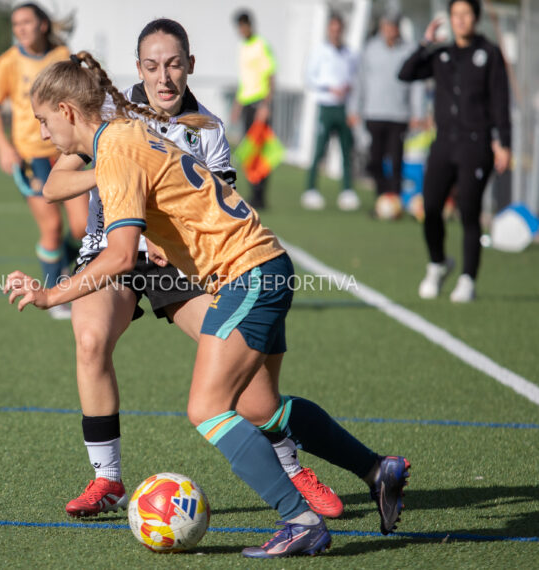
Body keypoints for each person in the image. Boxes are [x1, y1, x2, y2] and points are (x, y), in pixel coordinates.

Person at [5, 51, 411, 558]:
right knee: (260, 406)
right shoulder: (125, 136)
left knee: (207, 409)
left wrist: (51, 294)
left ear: (67, 111)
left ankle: (299, 520)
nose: (43, 133)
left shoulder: (117, 149)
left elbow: (119, 256)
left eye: (44, 121)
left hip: (248, 275)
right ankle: (377, 470)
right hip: (262, 266)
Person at [42, 19, 342, 521]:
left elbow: (217, 206)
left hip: (178, 262)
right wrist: (118, 173)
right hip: (112, 251)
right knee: (90, 340)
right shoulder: (109, 114)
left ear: (190, 66)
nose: (163, 77)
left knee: (245, 378)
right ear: (138, 68)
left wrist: (159, 219)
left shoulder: (208, 127)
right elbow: (54, 186)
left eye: (174, 65)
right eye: (152, 66)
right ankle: (107, 478)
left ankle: (291, 467)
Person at [399, 0, 511, 303]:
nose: (460, 20)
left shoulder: (489, 53)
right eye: (455, 14)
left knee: (469, 211)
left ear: (476, 17)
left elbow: (500, 101)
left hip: (476, 143)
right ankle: (438, 263)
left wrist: (504, 143)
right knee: (431, 207)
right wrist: (425, 43)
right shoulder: (442, 54)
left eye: (466, 14)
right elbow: (406, 73)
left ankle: (468, 279)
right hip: (444, 142)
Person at [0, 2, 88, 320]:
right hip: (31, 156)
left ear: (42, 25)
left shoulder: (62, 56)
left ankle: (60, 265)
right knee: (52, 226)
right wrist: (4, 147)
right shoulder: (8, 62)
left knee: (83, 226)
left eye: (26, 22)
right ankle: (56, 296)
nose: (20, 29)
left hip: (66, 151)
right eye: (16, 24)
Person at [348, 11, 426, 204]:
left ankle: (395, 199)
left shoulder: (409, 49)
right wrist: (353, 108)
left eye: (393, 26)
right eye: (387, 26)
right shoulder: (370, 49)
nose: (390, 30)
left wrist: (418, 112)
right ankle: (382, 197)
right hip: (374, 112)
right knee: (375, 160)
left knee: (396, 160)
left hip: (399, 114)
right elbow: (360, 81)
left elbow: (417, 84)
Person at [302, 13, 359, 211]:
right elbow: (309, 78)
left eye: (339, 30)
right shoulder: (319, 51)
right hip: (326, 106)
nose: (336, 33)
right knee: (320, 150)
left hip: (344, 108)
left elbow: (355, 78)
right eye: (333, 29)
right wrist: (329, 87)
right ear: (328, 30)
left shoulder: (349, 53)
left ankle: (347, 190)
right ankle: (310, 189)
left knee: (346, 150)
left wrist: (349, 89)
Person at [231, 10, 277, 209]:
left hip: (260, 103)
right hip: (247, 103)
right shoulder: (242, 47)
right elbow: (245, 80)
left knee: (260, 150)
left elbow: (270, 75)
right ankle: (254, 191)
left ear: (250, 25)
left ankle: (260, 194)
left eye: (243, 26)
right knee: (249, 150)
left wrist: (266, 105)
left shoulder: (261, 45)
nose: (241, 30)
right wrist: (237, 105)